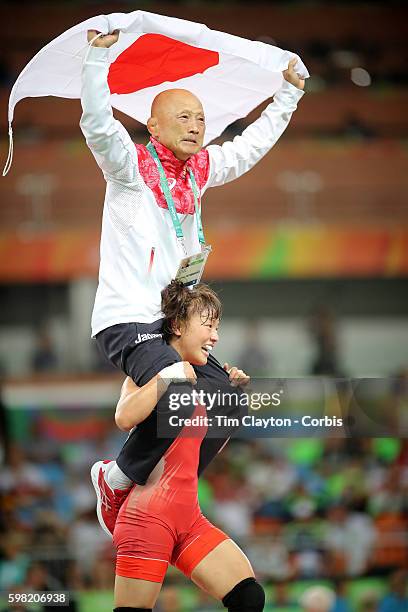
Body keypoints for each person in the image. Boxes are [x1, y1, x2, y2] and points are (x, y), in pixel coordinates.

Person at [81, 28, 305, 536]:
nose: (196, 125)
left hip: (171, 322)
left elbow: (248, 148)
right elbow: (97, 125)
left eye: (201, 118)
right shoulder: (129, 168)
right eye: (183, 116)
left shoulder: (198, 172)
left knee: (225, 394)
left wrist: (287, 93)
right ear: (153, 125)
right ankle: (115, 478)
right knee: (179, 384)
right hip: (126, 317)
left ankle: (165, 481)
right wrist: (97, 60)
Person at [111, 281, 263, 611]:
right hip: (148, 518)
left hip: (188, 516)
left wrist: (231, 398)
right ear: (178, 326)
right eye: (208, 326)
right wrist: (169, 377)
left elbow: (207, 451)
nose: (215, 337)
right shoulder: (152, 369)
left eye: (217, 327)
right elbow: (124, 417)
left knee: (249, 597)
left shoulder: (205, 378)